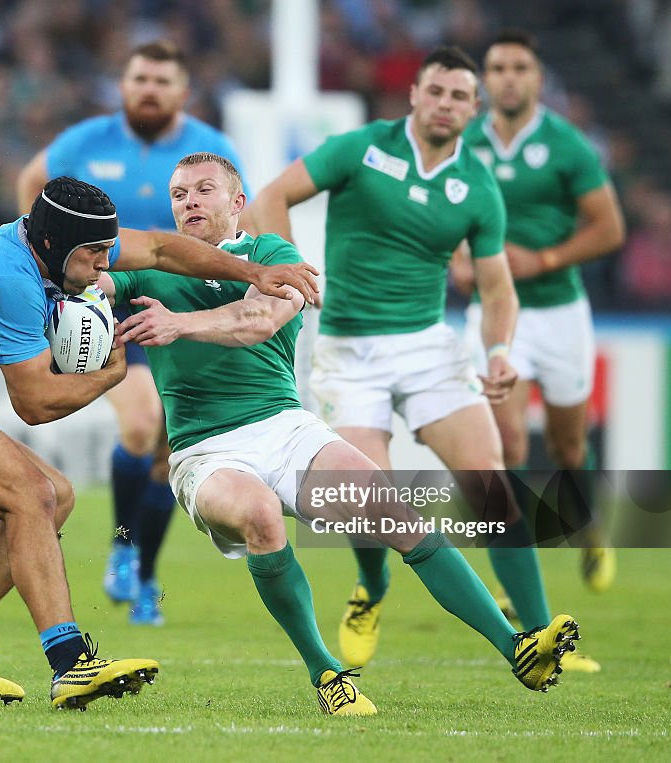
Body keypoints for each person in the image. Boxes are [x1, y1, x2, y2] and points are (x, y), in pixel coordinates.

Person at [100, 151, 582, 715]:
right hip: (204, 450)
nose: (189, 202)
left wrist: (178, 323)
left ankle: (516, 647)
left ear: (238, 203)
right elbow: (92, 283)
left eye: (204, 190)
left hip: (285, 428)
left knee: (395, 512)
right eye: (179, 194)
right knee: (258, 516)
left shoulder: (274, 255)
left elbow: (256, 322)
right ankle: (326, 672)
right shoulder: (151, 269)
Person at [0, 176, 319, 711]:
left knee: (55, 496)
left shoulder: (63, 242)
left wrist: (256, 272)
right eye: (93, 255)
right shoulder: (10, 282)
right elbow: (36, 405)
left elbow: (161, 249)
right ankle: (69, 664)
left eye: (105, 250)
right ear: (53, 246)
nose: (103, 265)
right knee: (31, 496)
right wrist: (111, 375)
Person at [248, 46, 598, 674]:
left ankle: (545, 635)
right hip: (348, 349)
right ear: (414, 94)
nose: (445, 104)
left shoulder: (478, 186)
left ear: (473, 107)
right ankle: (371, 591)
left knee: (490, 483)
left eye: (459, 96)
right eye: (435, 91)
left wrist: (497, 353)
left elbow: (497, 289)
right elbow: (270, 199)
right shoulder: (361, 148)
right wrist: (288, 270)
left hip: (429, 346)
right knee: (367, 494)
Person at [16, 41, 245, 626]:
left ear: (182, 91)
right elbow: (30, 184)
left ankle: (144, 575)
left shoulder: (211, 150)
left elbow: (241, 220)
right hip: (108, 303)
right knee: (141, 426)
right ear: (124, 84)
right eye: (140, 78)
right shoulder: (83, 143)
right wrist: (40, 263)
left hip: (181, 307)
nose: (149, 89)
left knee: (172, 451)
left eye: (162, 80)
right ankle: (122, 543)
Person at [453, 30, 626, 596]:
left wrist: (546, 257)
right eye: (497, 67)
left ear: (536, 78)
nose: (507, 77)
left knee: (568, 447)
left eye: (518, 67)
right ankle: (514, 571)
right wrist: (457, 258)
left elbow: (610, 228)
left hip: (559, 311)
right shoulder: (463, 142)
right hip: (496, 314)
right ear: (485, 79)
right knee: (505, 446)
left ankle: (590, 531)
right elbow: (445, 212)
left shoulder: (567, 145)